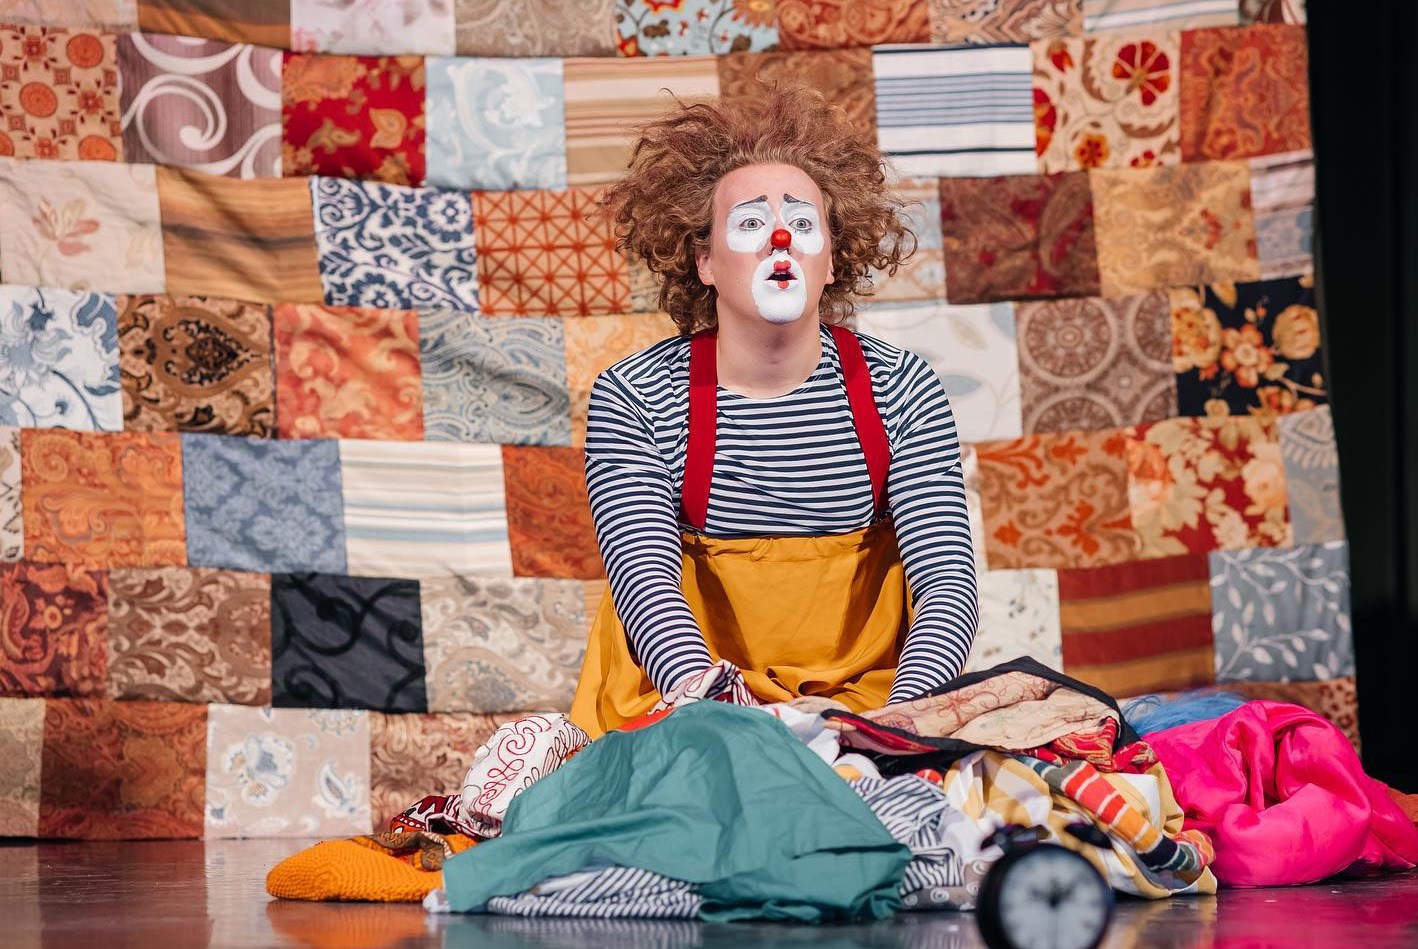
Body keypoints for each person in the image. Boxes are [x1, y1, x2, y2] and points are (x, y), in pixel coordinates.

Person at [569, 83, 978, 737]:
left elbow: (946, 587)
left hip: (869, 706)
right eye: (751, 224)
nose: (780, 239)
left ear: (832, 260)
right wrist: (735, 728)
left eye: (803, 225)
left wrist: (893, 730)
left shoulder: (903, 388)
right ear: (704, 260)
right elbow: (647, 592)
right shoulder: (635, 397)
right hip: (685, 709)